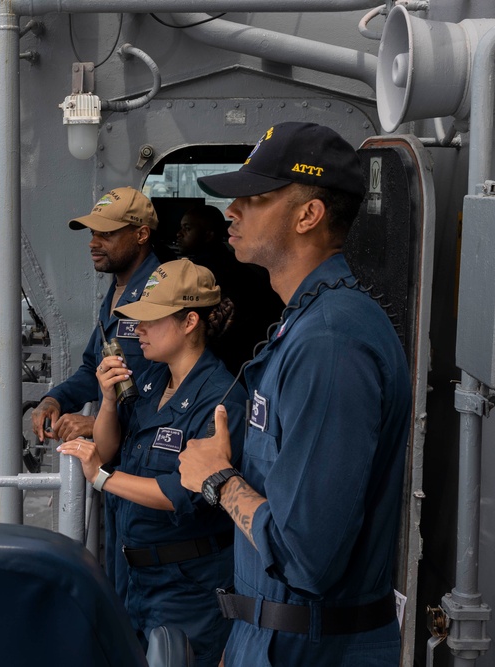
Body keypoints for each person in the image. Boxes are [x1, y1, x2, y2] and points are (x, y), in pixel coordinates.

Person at [178, 122, 412, 666]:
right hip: (274, 636)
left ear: (308, 215)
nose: (230, 212)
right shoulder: (308, 321)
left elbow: (306, 558)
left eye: (253, 199)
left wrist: (217, 480)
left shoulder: (331, 343)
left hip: (311, 649)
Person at [60, 259, 247, 666]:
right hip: (134, 575)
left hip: (187, 584)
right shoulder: (151, 380)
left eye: (151, 319)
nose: (138, 329)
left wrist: (102, 479)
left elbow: (185, 492)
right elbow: (110, 448)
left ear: (189, 322)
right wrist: (108, 400)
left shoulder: (221, 399)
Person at [30, 186, 160, 443]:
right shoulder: (116, 292)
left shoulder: (162, 295)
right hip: (119, 453)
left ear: (141, 234)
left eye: (107, 234)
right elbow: (93, 368)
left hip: (147, 460)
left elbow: (173, 391)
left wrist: (99, 423)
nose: (93, 243)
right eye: (93, 233)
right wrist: (55, 399)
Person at [176, 204, 283, 376]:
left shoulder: (206, 274)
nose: (179, 234)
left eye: (187, 229)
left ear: (209, 235)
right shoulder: (234, 265)